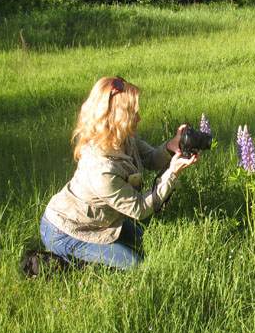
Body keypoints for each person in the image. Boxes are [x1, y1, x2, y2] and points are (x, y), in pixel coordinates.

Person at [39, 76, 198, 270]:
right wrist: (172, 173)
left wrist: (172, 146)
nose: (139, 117)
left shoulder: (122, 138)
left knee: (150, 240)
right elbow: (139, 209)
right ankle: (63, 262)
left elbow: (150, 158)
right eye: (133, 113)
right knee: (135, 264)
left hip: (103, 221)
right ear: (117, 118)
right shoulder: (101, 169)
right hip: (65, 230)